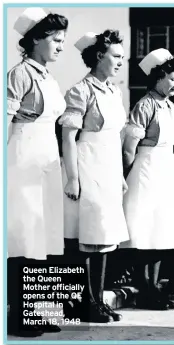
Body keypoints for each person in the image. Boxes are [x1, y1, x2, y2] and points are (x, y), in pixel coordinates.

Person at [60, 30, 129, 323]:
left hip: (109, 166)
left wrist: (121, 176)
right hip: (87, 163)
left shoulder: (114, 91)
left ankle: (97, 301)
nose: (120, 62)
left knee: (105, 236)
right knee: (88, 236)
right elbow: (68, 136)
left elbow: (116, 136)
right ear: (99, 56)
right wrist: (73, 178)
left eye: (122, 58)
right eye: (115, 56)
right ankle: (84, 303)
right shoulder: (80, 90)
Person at [7, 8, 68, 336]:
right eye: (55, 40)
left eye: (63, 40)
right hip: (23, 155)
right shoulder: (19, 74)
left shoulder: (49, 76)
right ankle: (19, 316)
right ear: (34, 40)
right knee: (24, 238)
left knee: (44, 239)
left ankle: (40, 312)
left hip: (46, 156)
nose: (60, 46)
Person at [122, 49, 174, 309]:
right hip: (145, 170)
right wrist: (128, 176)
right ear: (159, 77)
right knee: (143, 233)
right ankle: (145, 290)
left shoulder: (170, 106)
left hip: (164, 170)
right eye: (172, 79)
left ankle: (154, 288)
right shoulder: (145, 105)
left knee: (160, 233)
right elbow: (129, 147)